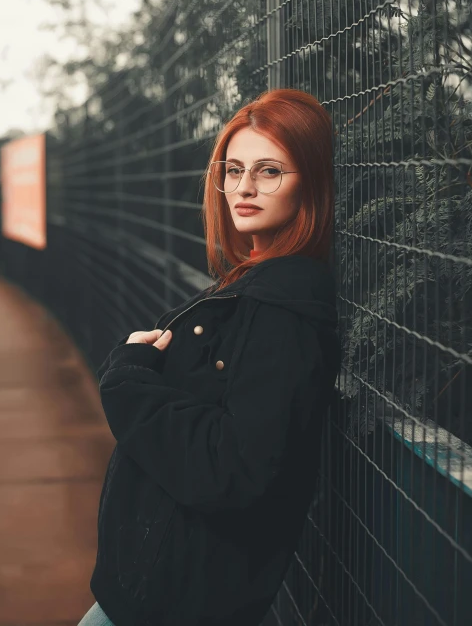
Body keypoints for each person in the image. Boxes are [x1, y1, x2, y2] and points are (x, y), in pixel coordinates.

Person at [78, 88, 341, 626]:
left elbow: (234, 469)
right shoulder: (254, 283)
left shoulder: (282, 315)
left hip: (174, 602)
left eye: (269, 172)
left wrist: (127, 383)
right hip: (158, 589)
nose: (243, 188)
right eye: (234, 169)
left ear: (310, 183)